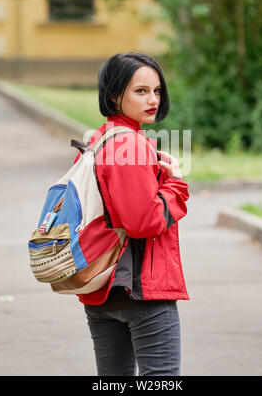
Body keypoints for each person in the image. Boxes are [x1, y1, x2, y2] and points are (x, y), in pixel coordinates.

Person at [76, 52, 190, 376]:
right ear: (115, 95)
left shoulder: (97, 141)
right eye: (140, 91)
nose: (152, 99)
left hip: (101, 291)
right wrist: (176, 185)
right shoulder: (132, 146)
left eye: (156, 90)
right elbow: (143, 223)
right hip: (142, 291)